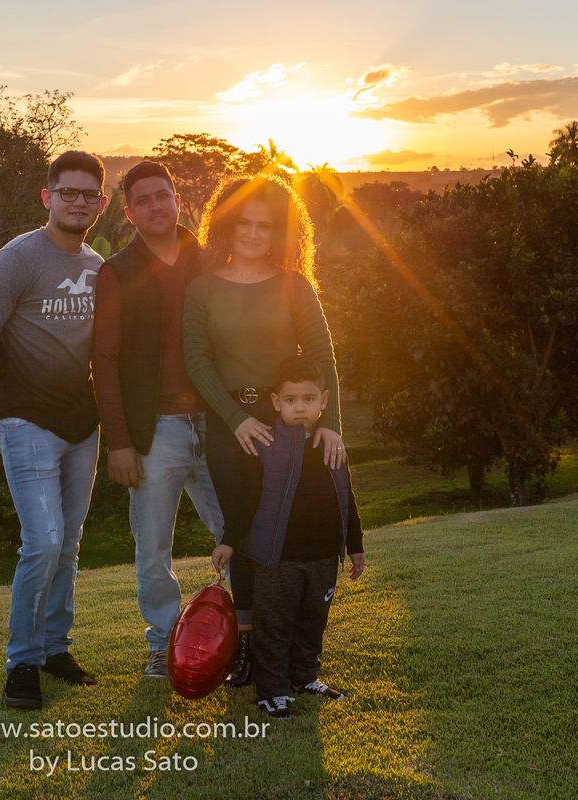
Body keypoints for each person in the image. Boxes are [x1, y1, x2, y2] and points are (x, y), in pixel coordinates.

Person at [183, 174, 346, 687]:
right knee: (244, 534)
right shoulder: (202, 289)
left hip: (284, 428)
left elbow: (322, 358)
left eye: (265, 226)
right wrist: (235, 419)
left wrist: (331, 426)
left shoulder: (294, 286)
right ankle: (249, 650)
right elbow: (197, 360)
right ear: (226, 225)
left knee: (283, 540)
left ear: (280, 233)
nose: (253, 234)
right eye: (243, 223)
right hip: (230, 427)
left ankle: (290, 651)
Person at [0, 150, 109, 710]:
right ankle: (21, 664)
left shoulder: (97, 268)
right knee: (42, 542)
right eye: (66, 192)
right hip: (27, 421)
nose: (77, 202)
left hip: (80, 424)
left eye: (87, 194)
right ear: (47, 197)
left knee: (67, 543)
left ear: (101, 202)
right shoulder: (19, 258)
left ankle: (53, 647)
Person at [92, 161, 224, 679]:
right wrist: (119, 441)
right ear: (128, 212)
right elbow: (102, 361)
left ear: (177, 200)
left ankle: (248, 634)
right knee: (154, 550)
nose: (155, 206)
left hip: (217, 424)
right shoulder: (117, 272)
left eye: (162, 195)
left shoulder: (211, 260)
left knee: (241, 532)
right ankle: (162, 644)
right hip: (154, 433)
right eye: (142, 199)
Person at [211, 355, 364, 718]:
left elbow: (347, 498)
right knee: (275, 626)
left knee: (313, 622)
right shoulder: (264, 445)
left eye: (309, 400)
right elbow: (246, 500)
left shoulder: (331, 445)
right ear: (277, 402)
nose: (300, 408)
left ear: (324, 401)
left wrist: (354, 547)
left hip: (324, 558)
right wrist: (229, 541)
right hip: (277, 560)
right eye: (291, 400)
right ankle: (272, 690)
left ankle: (304, 676)